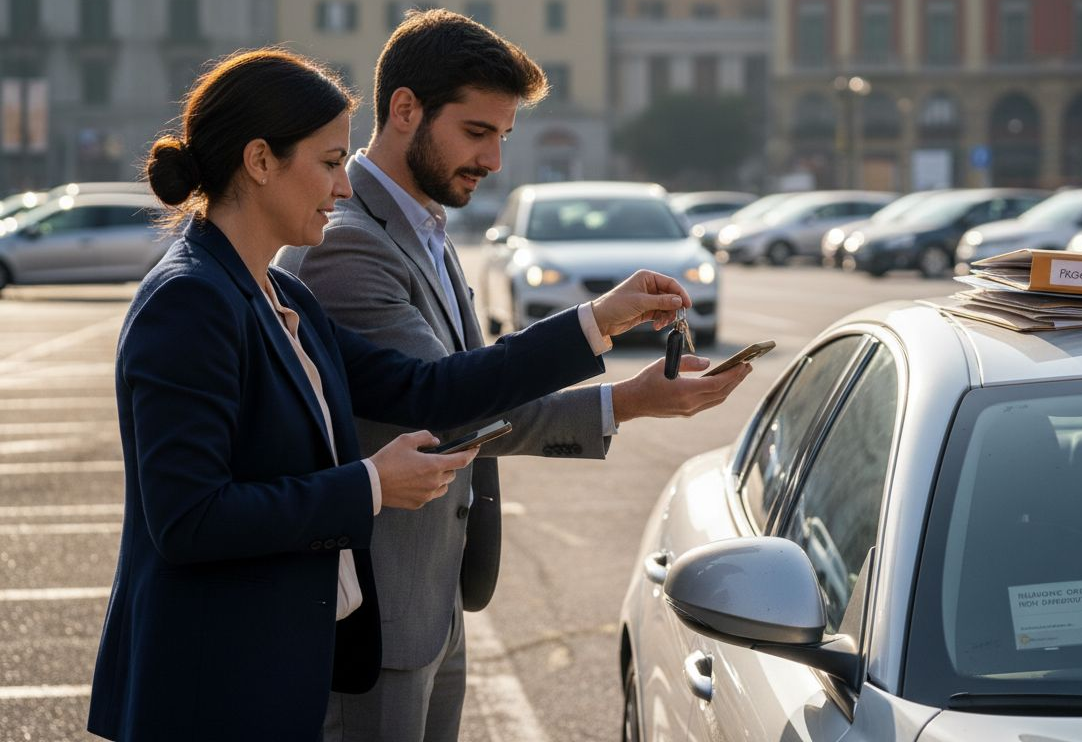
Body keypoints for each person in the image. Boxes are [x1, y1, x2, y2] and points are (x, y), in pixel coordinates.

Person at [86, 48, 694, 742]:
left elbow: (427, 388)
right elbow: (189, 519)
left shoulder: (281, 293)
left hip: (275, 668)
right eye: (329, 162)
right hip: (212, 687)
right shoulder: (190, 300)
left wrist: (597, 322)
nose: (343, 188)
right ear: (259, 161)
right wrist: (371, 485)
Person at [275, 10, 751, 742]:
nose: (495, 160)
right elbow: (448, 405)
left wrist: (635, 396)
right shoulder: (346, 245)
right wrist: (620, 384)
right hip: (375, 614)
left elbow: (468, 389)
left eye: (504, 136)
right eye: (476, 132)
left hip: (429, 597)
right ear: (405, 110)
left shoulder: (423, 223)